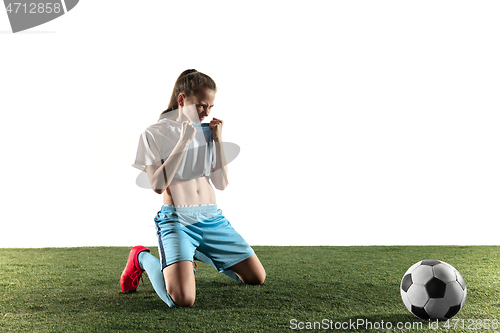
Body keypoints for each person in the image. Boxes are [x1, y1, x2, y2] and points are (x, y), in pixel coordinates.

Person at [121, 69, 266, 308]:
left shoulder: (206, 132)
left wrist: (217, 140)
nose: (206, 112)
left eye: (210, 106)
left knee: (256, 278)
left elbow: (221, 184)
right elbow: (157, 185)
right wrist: (183, 141)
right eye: (200, 105)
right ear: (181, 100)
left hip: (212, 218)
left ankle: (193, 253)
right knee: (182, 300)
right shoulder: (153, 134)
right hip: (178, 221)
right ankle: (140, 257)